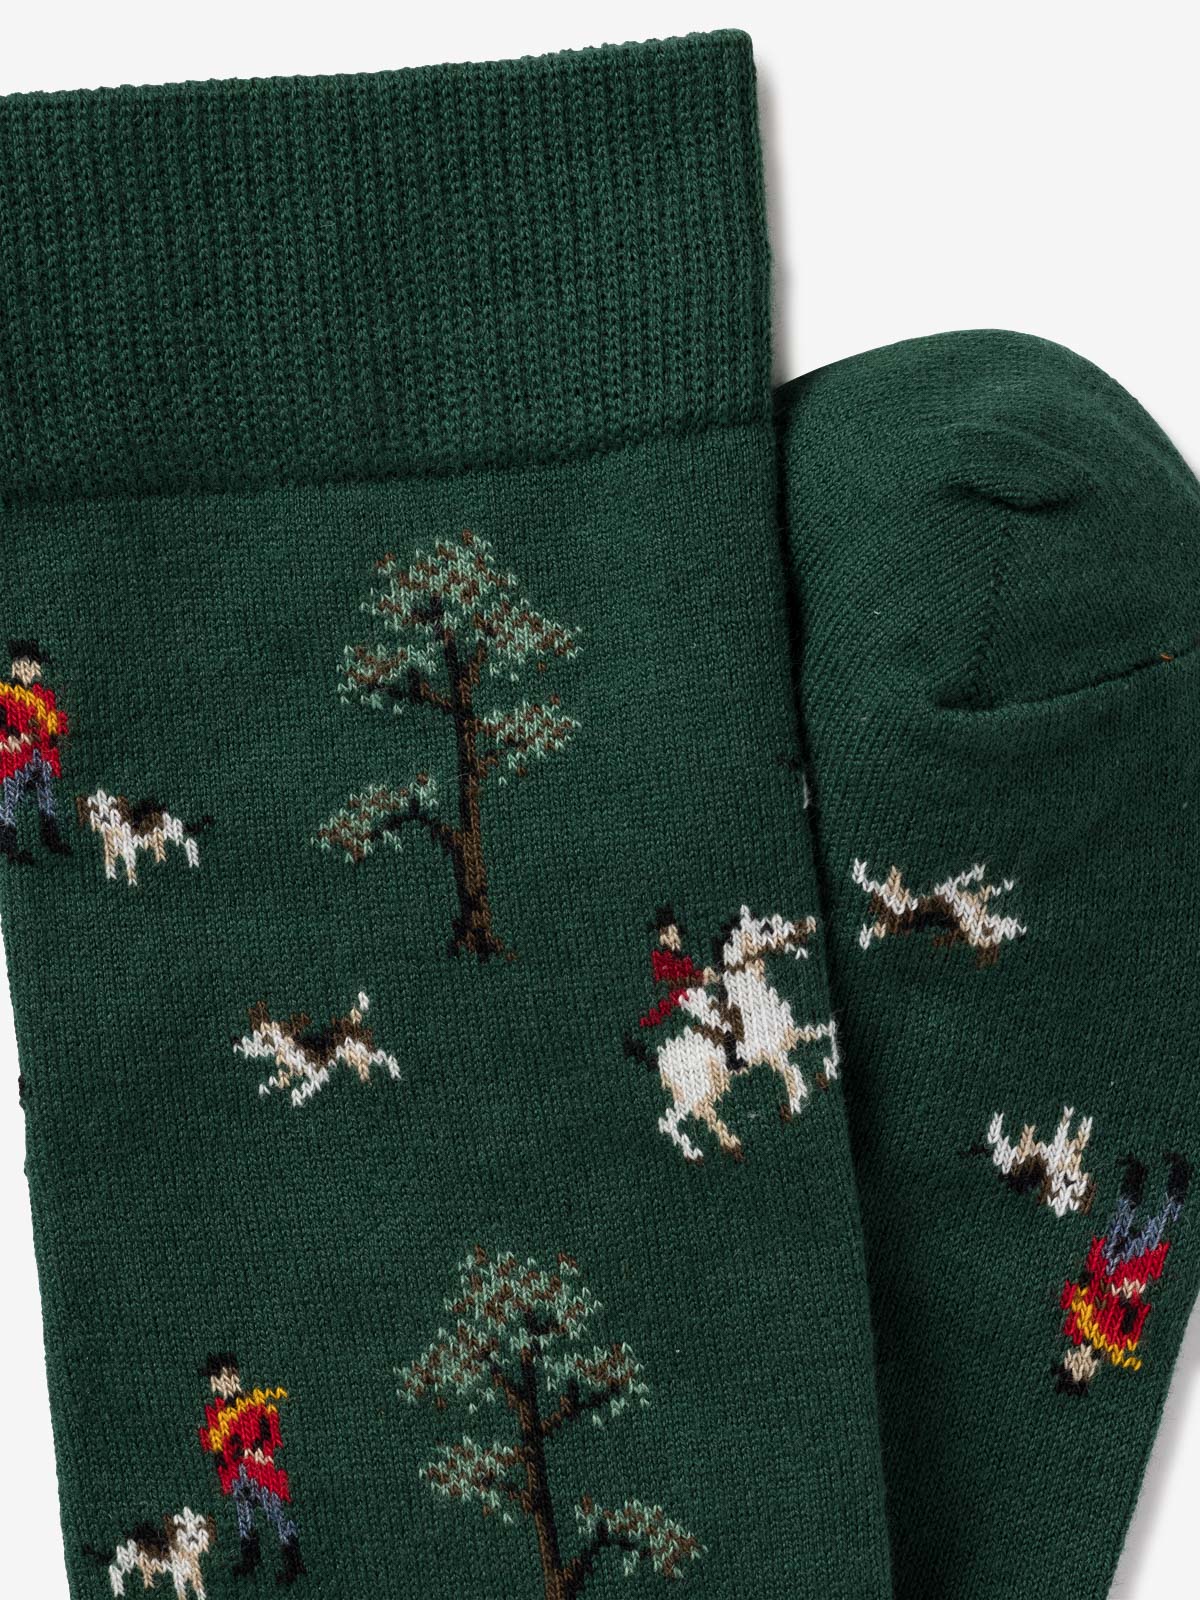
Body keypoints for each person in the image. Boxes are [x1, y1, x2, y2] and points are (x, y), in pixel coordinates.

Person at [197, 1353, 304, 1585]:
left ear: (232, 1376)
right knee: (244, 1516)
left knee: (274, 1512)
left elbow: (267, 1427)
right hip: (236, 1474)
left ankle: (293, 1561)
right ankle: (251, 1558)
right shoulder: (216, 1413)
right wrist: (223, 1467)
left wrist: (258, 1451)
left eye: (220, 1377)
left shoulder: (252, 1403)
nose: (217, 1383)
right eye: (215, 1379)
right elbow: (216, 1445)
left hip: (258, 1470)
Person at [0, 639, 70, 864]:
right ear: (19, 665)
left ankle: (51, 838)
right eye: (33, 665)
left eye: (37, 666)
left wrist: (53, 734)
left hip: (39, 757)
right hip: (13, 758)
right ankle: (8, 846)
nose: (36, 671)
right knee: (12, 798)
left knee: (45, 793)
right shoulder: (4, 694)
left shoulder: (41, 695)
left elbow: (54, 723)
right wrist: (10, 739)